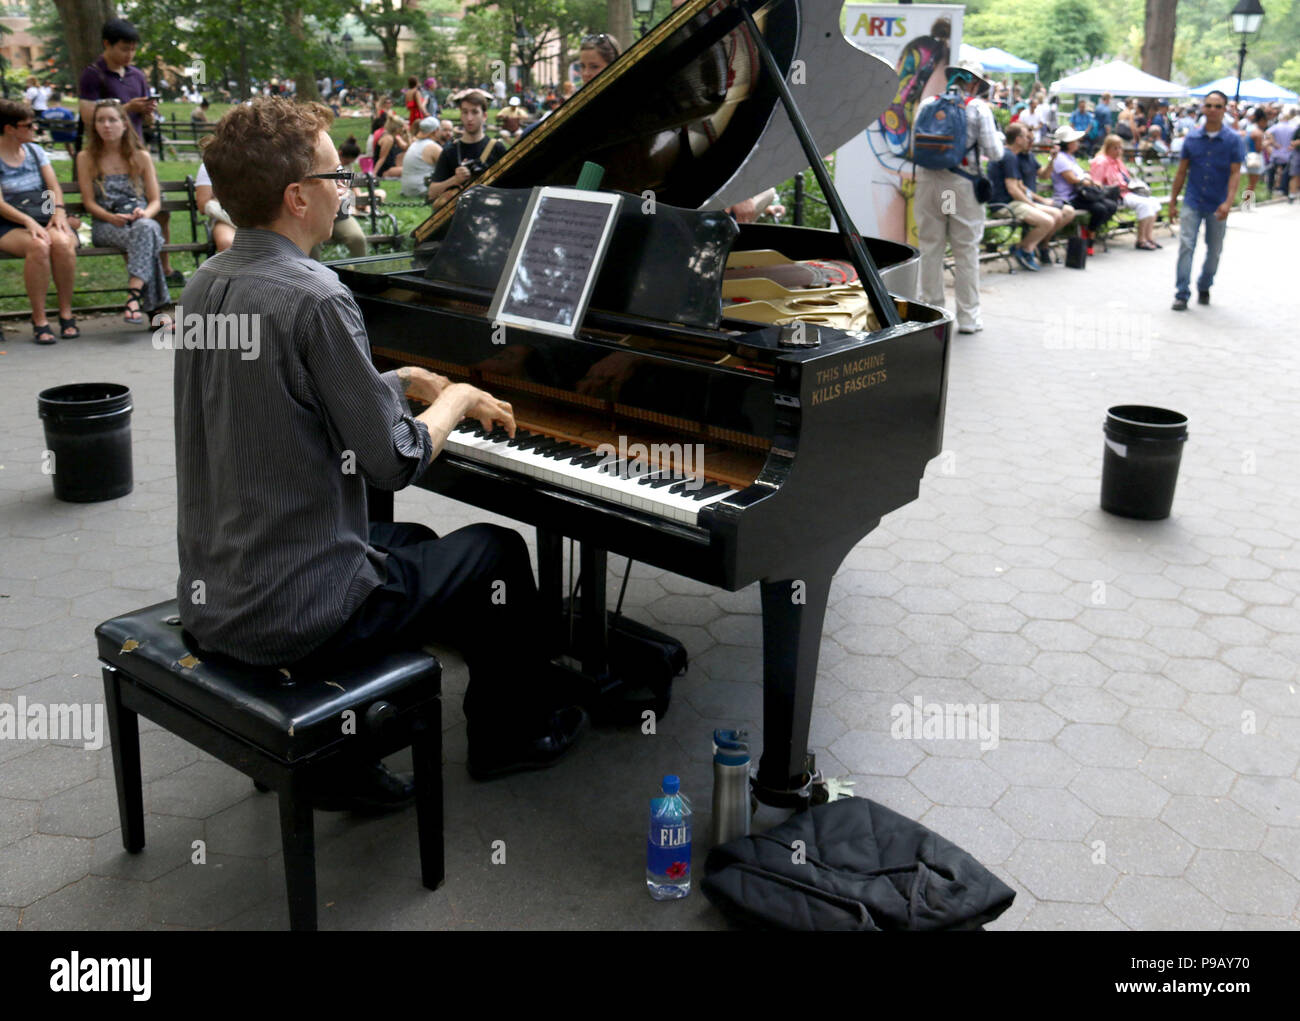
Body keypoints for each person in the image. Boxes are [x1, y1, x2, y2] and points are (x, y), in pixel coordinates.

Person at [180, 98, 586, 806]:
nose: (347, 185)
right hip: (296, 612)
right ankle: (506, 735)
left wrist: (397, 379)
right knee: (495, 550)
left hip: (220, 590)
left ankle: (346, 752)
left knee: (417, 538)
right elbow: (394, 462)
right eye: (336, 173)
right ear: (297, 196)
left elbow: (283, 395)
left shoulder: (206, 282)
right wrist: (455, 398)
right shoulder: (317, 295)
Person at [78, 18, 182, 286]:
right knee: (129, 220)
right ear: (107, 44)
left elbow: (144, 118)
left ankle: (164, 267)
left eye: (133, 49)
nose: (129, 55)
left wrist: (147, 112)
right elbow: (89, 115)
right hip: (106, 158)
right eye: (124, 48)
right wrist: (126, 108)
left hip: (136, 152)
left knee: (160, 209)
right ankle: (144, 282)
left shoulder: (136, 75)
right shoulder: (93, 74)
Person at [913, 61, 1003, 335]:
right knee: (965, 251)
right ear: (975, 83)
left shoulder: (929, 104)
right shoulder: (977, 108)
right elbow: (995, 152)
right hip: (959, 186)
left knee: (930, 249)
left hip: (929, 183)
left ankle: (931, 313)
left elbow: (914, 144)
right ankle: (968, 318)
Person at [76, 99, 170, 322]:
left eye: (112, 120)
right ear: (95, 126)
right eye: (100, 120)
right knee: (147, 237)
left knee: (145, 230)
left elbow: (155, 201)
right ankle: (154, 311)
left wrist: (144, 214)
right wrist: (110, 217)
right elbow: (89, 203)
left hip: (141, 220)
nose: (106, 125)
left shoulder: (141, 157)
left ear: (124, 123)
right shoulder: (86, 158)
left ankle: (134, 298)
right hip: (107, 225)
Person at [0, 100, 80, 344]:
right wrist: (28, 222)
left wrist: (58, 212)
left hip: (42, 215)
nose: (35, 129)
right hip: (9, 222)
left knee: (63, 243)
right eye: (29, 125)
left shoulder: (35, 151)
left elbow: (53, 186)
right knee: (38, 246)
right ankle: (40, 318)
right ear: (9, 128)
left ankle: (66, 312)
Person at [1168, 90, 1243, 310]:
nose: (1212, 110)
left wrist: (1229, 202)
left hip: (1217, 202)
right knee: (1186, 245)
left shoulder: (1233, 140)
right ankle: (1181, 292)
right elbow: (1181, 172)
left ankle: (1204, 284)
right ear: (1203, 108)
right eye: (1209, 105)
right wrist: (1173, 201)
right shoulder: (1191, 138)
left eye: (1217, 106)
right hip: (1192, 200)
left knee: (1215, 249)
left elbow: (1235, 173)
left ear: (1224, 110)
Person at [990, 123, 1073, 270]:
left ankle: (1031, 247)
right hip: (1005, 204)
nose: (1029, 141)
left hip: (1015, 202)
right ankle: (1024, 249)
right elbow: (1013, 190)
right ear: (1018, 139)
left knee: (1056, 214)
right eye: (1026, 137)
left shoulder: (1013, 156)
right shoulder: (1009, 157)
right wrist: (1033, 204)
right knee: (1048, 220)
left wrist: (1051, 159)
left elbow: (1028, 182)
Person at [427, 89, 505, 205]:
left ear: (484, 116)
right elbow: (432, 193)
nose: (469, 118)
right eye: (465, 112)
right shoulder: (450, 151)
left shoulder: (497, 148)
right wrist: (455, 180)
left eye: (474, 112)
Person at [1091, 134, 1163, 250]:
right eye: (1115, 148)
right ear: (1107, 148)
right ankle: (1141, 240)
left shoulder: (1118, 162)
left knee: (1153, 202)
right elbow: (1096, 182)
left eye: (1120, 148)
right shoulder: (1101, 161)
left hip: (1128, 192)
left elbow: (1126, 179)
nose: (1119, 151)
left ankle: (1148, 237)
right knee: (1144, 204)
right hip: (1115, 195)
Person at [1049, 124, 1115, 247]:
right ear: (1068, 143)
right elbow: (1071, 178)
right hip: (1069, 197)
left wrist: (1088, 179)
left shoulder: (1070, 157)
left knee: (1110, 205)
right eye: (1075, 141)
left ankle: (1091, 231)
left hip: (1081, 194)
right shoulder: (1060, 158)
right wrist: (1085, 181)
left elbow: (1080, 174)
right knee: (1100, 209)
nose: (1078, 143)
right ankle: (1089, 237)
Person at [194, 160, 235, 253]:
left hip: (262, 217)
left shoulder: (264, 162)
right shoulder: (208, 166)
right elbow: (203, 205)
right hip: (223, 218)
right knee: (227, 242)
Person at [400, 117, 442, 197]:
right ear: (436, 131)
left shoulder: (414, 144)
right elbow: (448, 169)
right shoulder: (433, 147)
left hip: (408, 190)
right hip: (421, 190)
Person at [1244, 108, 1272, 200]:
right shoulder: (1258, 133)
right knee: (1252, 183)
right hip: (1255, 158)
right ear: (1262, 120)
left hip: (1247, 155)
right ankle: (1247, 202)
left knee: (1249, 182)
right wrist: (1266, 143)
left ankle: (1246, 201)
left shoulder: (1249, 128)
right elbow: (1259, 148)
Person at [43, 91, 79, 159]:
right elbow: (72, 126)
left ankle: (73, 155)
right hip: (69, 137)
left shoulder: (45, 113)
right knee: (68, 133)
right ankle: (74, 156)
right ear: (60, 100)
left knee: (63, 133)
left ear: (51, 100)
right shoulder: (66, 112)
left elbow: (44, 126)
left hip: (55, 136)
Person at [373, 114, 408, 178]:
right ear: (397, 128)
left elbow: (406, 147)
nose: (403, 129)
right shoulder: (388, 139)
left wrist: (408, 133)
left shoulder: (394, 136)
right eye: (402, 127)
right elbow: (382, 158)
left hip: (392, 164)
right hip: (384, 170)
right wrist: (374, 173)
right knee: (409, 171)